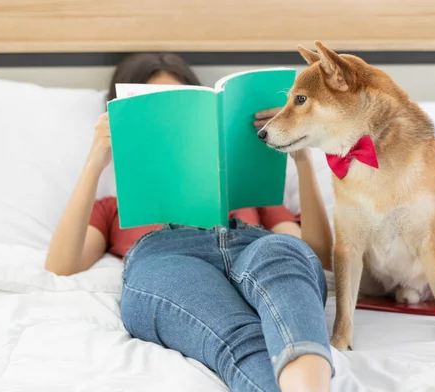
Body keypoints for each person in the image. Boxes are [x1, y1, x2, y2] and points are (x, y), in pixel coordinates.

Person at [46, 53, 334, 392]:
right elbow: (60, 267)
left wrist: (302, 158)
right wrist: (97, 159)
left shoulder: (250, 195)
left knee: (281, 255)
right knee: (243, 337)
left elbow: (316, 255)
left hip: (252, 243)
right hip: (168, 259)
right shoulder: (113, 208)